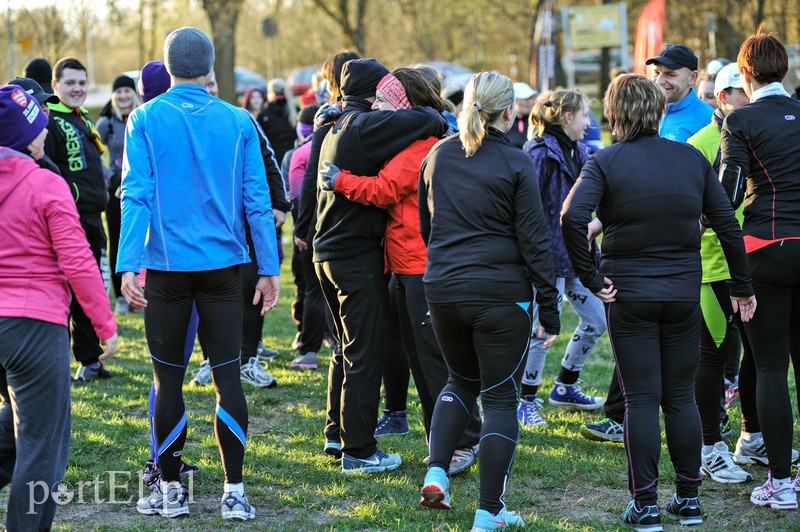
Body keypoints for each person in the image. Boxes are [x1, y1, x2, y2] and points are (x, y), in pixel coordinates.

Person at [561, 73, 754, 530]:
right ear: (659, 110)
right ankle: (688, 499)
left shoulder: (604, 161)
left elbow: (571, 216)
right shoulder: (689, 158)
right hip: (683, 294)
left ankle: (645, 505)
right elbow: (726, 223)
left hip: (629, 295)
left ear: (613, 114)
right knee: (681, 398)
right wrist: (742, 285)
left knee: (643, 400)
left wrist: (592, 276)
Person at [117, 27, 280, 520]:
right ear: (210, 69)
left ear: (167, 69)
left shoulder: (143, 117)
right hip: (225, 271)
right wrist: (268, 267)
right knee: (227, 378)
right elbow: (258, 200)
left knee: (168, 382)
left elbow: (136, 193)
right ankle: (234, 492)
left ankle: (170, 492)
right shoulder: (238, 119)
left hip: (166, 272)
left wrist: (127, 263)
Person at [318, 67, 482, 474]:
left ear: (404, 104)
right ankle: (442, 436)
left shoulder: (420, 144)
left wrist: (340, 181)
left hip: (419, 266)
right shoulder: (410, 136)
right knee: (422, 356)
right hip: (406, 264)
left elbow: (385, 189)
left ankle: (461, 440)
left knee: (434, 358)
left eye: (386, 102)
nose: (378, 109)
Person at [417, 71, 560, 531]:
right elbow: (535, 240)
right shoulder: (516, 162)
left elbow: (427, 226)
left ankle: (437, 471)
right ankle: (489, 511)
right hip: (500, 293)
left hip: (443, 287)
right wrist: (549, 304)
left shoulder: (436, 155)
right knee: (500, 398)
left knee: (458, 382)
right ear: (508, 111)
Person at [0, 84, 117, 531]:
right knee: (40, 446)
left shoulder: (44, 178)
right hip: (34, 326)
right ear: (23, 137)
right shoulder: (46, 182)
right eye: (39, 127)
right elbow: (78, 260)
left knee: (17, 422)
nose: (46, 133)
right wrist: (105, 326)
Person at [719, 27, 800, 510]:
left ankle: (781, 482)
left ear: (745, 74)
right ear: (784, 70)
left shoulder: (740, 120)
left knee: (770, 365)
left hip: (766, 247)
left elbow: (726, 197)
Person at [517, 90, 606, 428]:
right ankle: (524, 400)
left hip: (577, 256)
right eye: (585, 115)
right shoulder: (537, 154)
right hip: (546, 260)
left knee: (596, 320)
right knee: (541, 332)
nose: (589, 123)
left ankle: (566, 386)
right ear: (567, 116)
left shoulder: (580, 151)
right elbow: (527, 210)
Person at [686, 62, 754, 485]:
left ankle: (752, 436)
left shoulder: (755, 135)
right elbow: (690, 210)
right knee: (711, 357)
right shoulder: (701, 143)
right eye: (746, 93)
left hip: (755, 264)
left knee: (758, 355)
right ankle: (709, 447)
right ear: (726, 96)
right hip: (712, 269)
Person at [44, 57, 113, 384]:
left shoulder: (82, 118)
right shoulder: (50, 122)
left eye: (82, 83)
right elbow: (47, 168)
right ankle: (83, 360)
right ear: (55, 86)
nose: (77, 89)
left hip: (93, 218)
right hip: (71, 219)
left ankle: (92, 359)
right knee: (78, 289)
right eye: (70, 83)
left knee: (94, 287)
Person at [96, 74, 141, 316]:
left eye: (127, 91)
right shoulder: (105, 124)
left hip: (140, 192)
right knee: (118, 241)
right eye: (119, 92)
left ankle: (139, 294)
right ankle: (121, 297)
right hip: (115, 194)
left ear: (134, 94)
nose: (123, 96)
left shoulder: (142, 117)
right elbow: (93, 156)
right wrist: (111, 176)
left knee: (141, 242)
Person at [647, 44, 714, 142]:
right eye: (657, 73)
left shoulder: (709, 119)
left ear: (692, 77)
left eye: (670, 74)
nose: (659, 81)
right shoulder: (644, 111)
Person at [506, 81, 537, 148]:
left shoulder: (536, 122)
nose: (528, 102)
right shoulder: (505, 122)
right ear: (514, 100)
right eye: (524, 98)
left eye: (530, 98)